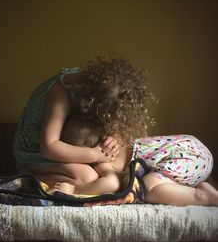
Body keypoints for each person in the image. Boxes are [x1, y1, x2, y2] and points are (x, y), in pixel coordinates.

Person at [13, 55, 154, 192]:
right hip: (36, 152)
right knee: (88, 177)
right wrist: (94, 155)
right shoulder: (59, 95)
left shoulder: (94, 89)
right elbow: (49, 147)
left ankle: (85, 172)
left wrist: (114, 138)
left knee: (117, 156)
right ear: (90, 102)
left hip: (73, 139)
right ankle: (30, 177)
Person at [46, 112, 218, 206]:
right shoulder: (117, 140)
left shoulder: (102, 160)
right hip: (194, 147)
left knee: (148, 188)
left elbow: (111, 184)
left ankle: (203, 197)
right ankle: (204, 180)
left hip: (185, 159)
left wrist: (74, 189)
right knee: (160, 174)